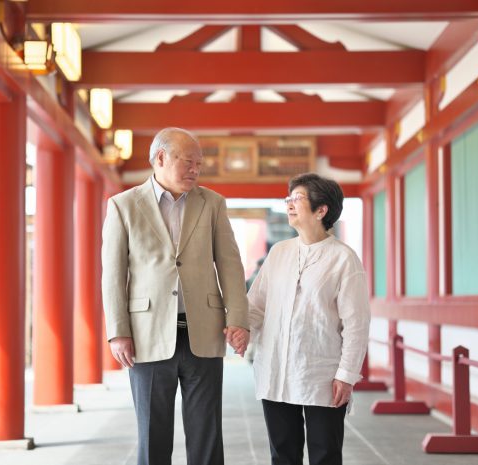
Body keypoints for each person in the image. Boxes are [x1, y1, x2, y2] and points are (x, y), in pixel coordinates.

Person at [101, 127, 250, 465]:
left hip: (204, 331)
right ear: (161, 158)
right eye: (188, 162)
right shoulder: (123, 206)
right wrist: (118, 332)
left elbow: (230, 264)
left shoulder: (212, 203)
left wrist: (238, 319)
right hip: (146, 335)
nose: (195, 170)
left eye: (199, 164)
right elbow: (112, 275)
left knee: (206, 433)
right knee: (152, 434)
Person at [247, 173, 371, 465]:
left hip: (322, 372)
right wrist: (241, 331)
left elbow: (356, 324)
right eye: (288, 198)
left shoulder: (344, 259)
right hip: (276, 368)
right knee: (283, 454)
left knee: (325, 453)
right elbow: (255, 306)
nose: (288, 204)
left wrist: (346, 375)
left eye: (297, 198)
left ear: (321, 210)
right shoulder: (279, 253)